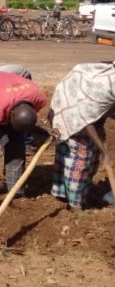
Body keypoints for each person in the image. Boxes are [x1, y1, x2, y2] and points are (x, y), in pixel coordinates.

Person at [49, 63, 115, 210]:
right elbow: (86, 121)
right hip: (75, 123)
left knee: (90, 162)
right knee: (79, 165)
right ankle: (75, 206)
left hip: (88, 118)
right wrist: (105, 152)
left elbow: (102, 109)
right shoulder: (102, 88)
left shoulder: (108, 79)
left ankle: (79, 194)